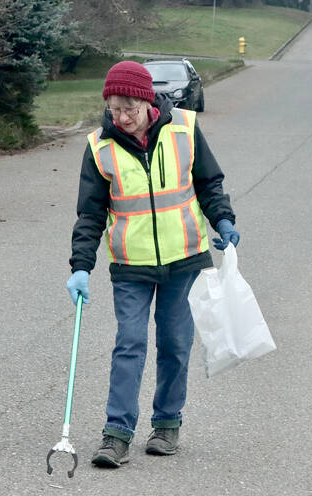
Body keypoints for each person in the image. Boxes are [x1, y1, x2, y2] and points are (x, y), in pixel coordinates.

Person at [66, 61, 239, 467]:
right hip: (131, 265)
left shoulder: (184, 129)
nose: (121, 117)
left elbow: (208, 183)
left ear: (147, 102)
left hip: (185, 259)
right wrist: (80, 266)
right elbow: (90, 214)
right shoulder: (100, 147)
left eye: (128, 108)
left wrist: (224, 220)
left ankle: (166, 424)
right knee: (130, 343)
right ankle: (116, 434)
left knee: (175, 345)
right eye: (113, 109)